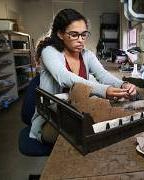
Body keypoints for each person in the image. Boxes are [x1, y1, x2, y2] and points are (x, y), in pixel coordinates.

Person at [30, 8, 137, 144]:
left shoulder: (87, 55)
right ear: (60, 34)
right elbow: (64, 77)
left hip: (77, 114)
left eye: (84, 34)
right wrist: (103, 90)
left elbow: (103, 75)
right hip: (51, 119)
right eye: (74, 35)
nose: (81, 40)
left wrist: (123, 85)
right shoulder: (49, 52)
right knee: (94, 137)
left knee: (110, 129)